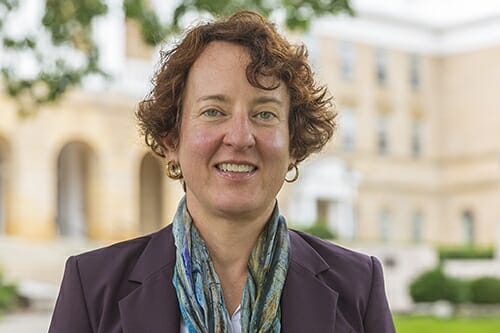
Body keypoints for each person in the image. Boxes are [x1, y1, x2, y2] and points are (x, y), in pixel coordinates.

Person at [49, 10, 395, 333]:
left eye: (265, 114)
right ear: (172, 140)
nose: (241, 137)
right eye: (214, 111)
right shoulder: (93, 287)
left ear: (293, 146)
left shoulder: (358, 286)